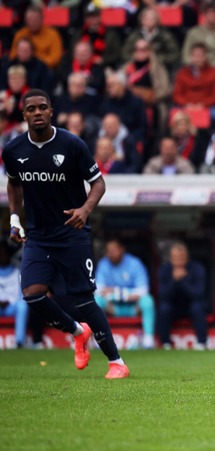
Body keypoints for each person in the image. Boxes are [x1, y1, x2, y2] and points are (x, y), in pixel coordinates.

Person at [3, 89, 129, 378]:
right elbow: (13, 184)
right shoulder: (13, 151)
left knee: (83, 300)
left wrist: (84, 210)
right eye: (31, 109)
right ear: (23, 115)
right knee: (32, 295)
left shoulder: (72, 144)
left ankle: (116, 362)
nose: (37, 112)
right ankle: (77, 332)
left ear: (51, 112)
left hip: (72, 234)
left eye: (42, 107)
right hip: (37, 235)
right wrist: (14, 218)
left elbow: (98, 184)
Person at [95, 238, 156, 349]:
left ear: (122, 249)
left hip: (133, 307)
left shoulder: (135, 263)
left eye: (114, 250)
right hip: (113, 308)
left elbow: (143, 290)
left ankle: (148, 338)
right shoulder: (103, 264)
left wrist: (115, 292)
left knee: (148, 301)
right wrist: (128, 294)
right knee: (96, 300)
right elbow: (99, 290)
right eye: (109, 250)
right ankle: (99, 337)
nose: (111, 253)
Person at [157, 241, 209, 350]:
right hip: (173, 306)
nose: (179, 260)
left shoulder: (197, 268)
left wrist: (184, 281)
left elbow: (198, 294)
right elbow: (163, 295)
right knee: (164, 308)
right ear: (170, 258)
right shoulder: (164, 270)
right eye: (176, 257)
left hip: (191, 305)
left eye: (181, 257)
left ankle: (201, 343)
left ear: (187, 257)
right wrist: (174, 281)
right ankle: (166, 343)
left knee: (197, 307)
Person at [173, 43, 215, 127]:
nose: (198, 59)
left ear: (206, 56)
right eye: (196, 56)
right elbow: (177, 94)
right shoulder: (182, 73)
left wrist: (203, 105)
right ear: (191, 57)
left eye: (201, 55)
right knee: (173, 116)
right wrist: (187, 104)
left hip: (207, 106)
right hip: (186, 105)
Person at [181, 3, 215, 70]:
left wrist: (211, 67)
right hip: (194, 67)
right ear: (204, 15)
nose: (211, 16)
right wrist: (194, 63)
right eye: (209, 14)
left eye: (214, 14)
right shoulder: (194, 32)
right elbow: (185, 54)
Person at [0, 240, 28, 348]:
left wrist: (11, 302)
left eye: (4, 254)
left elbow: (22, 294)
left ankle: (20, 342)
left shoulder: (17, 271)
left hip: (12, 306)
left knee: (23, 305)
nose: (2, 256)